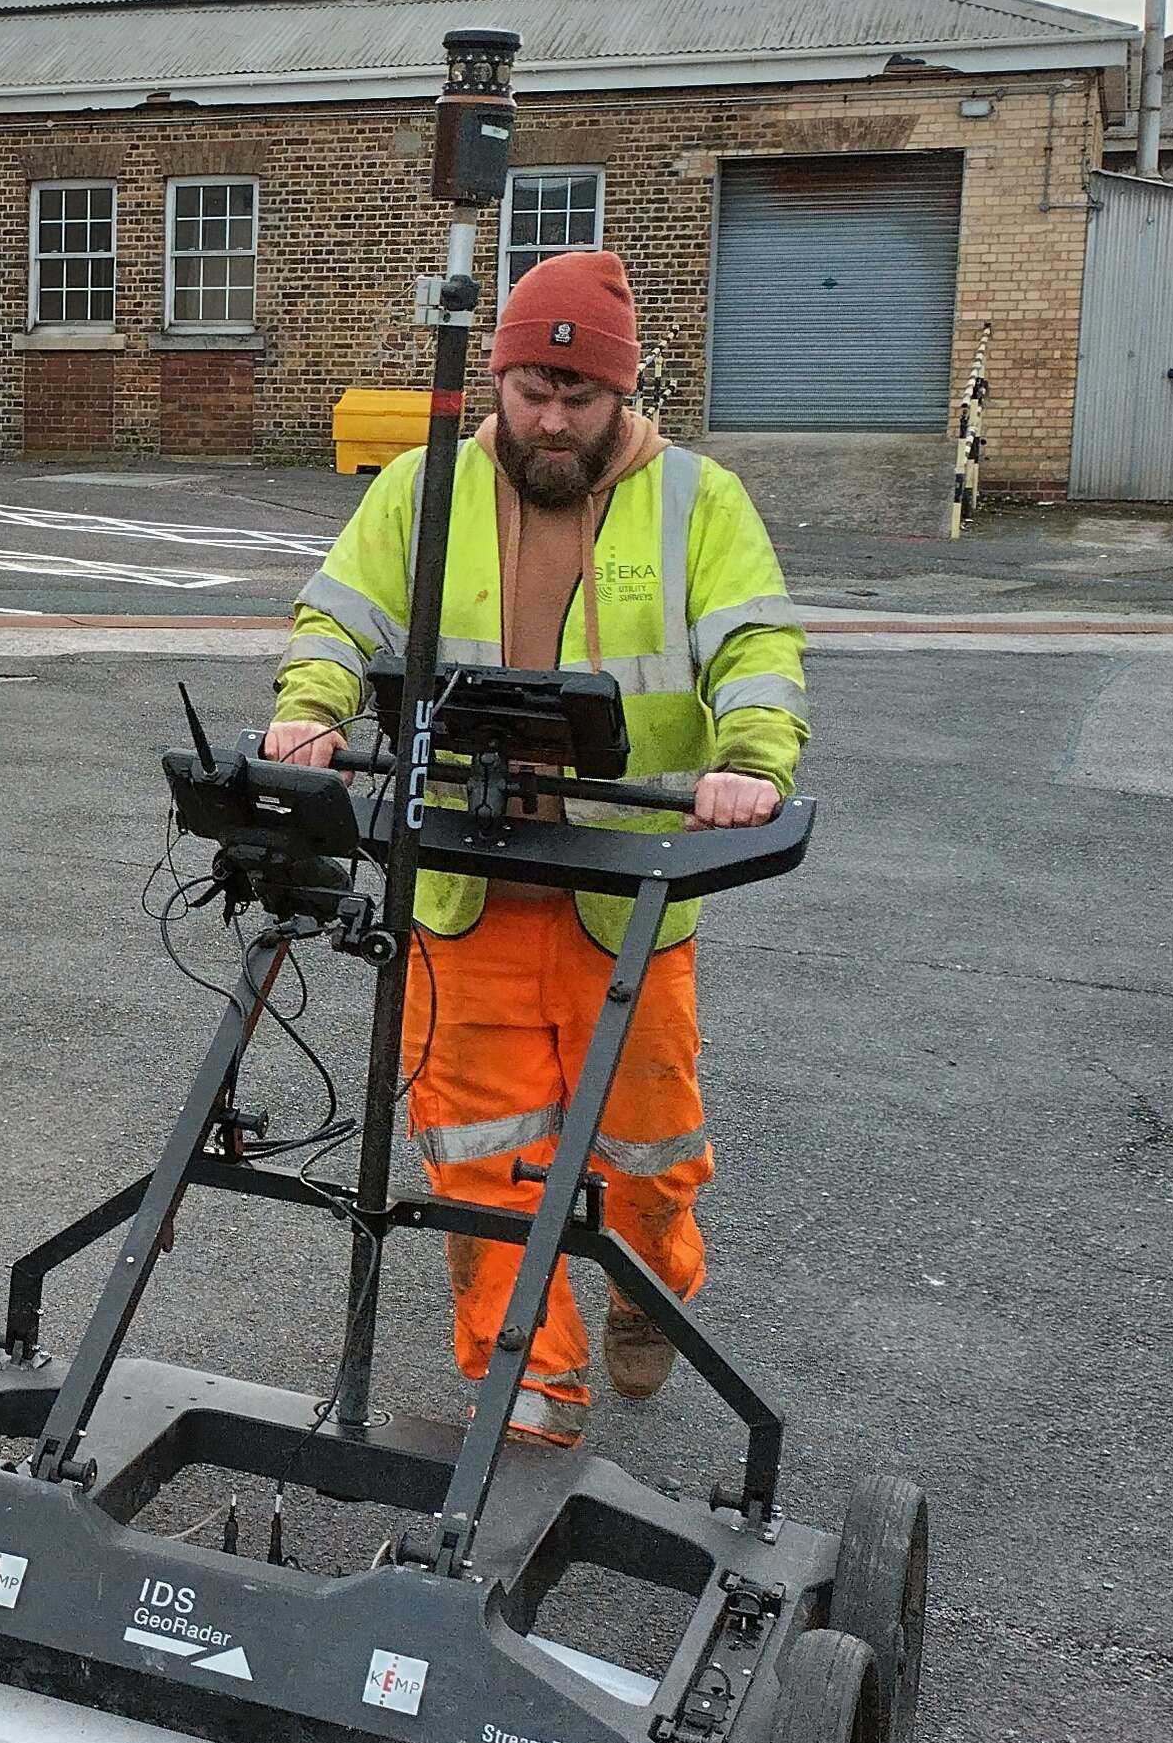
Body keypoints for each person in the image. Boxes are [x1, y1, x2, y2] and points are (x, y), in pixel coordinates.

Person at [262, 247, 807, 1450]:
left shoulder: (696, 502)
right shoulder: (421, 487)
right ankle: (530, 1405)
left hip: (623, 889)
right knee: (483, 1161)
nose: (552, 418)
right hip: (464, 883)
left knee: (645, 1153)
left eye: (579, 398)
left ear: (621, 396)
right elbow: (337, 615)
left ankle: (644, 1287)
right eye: (530, 392)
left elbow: (756, 650)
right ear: (498, 379)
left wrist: (751, 767)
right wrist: (312, 709)